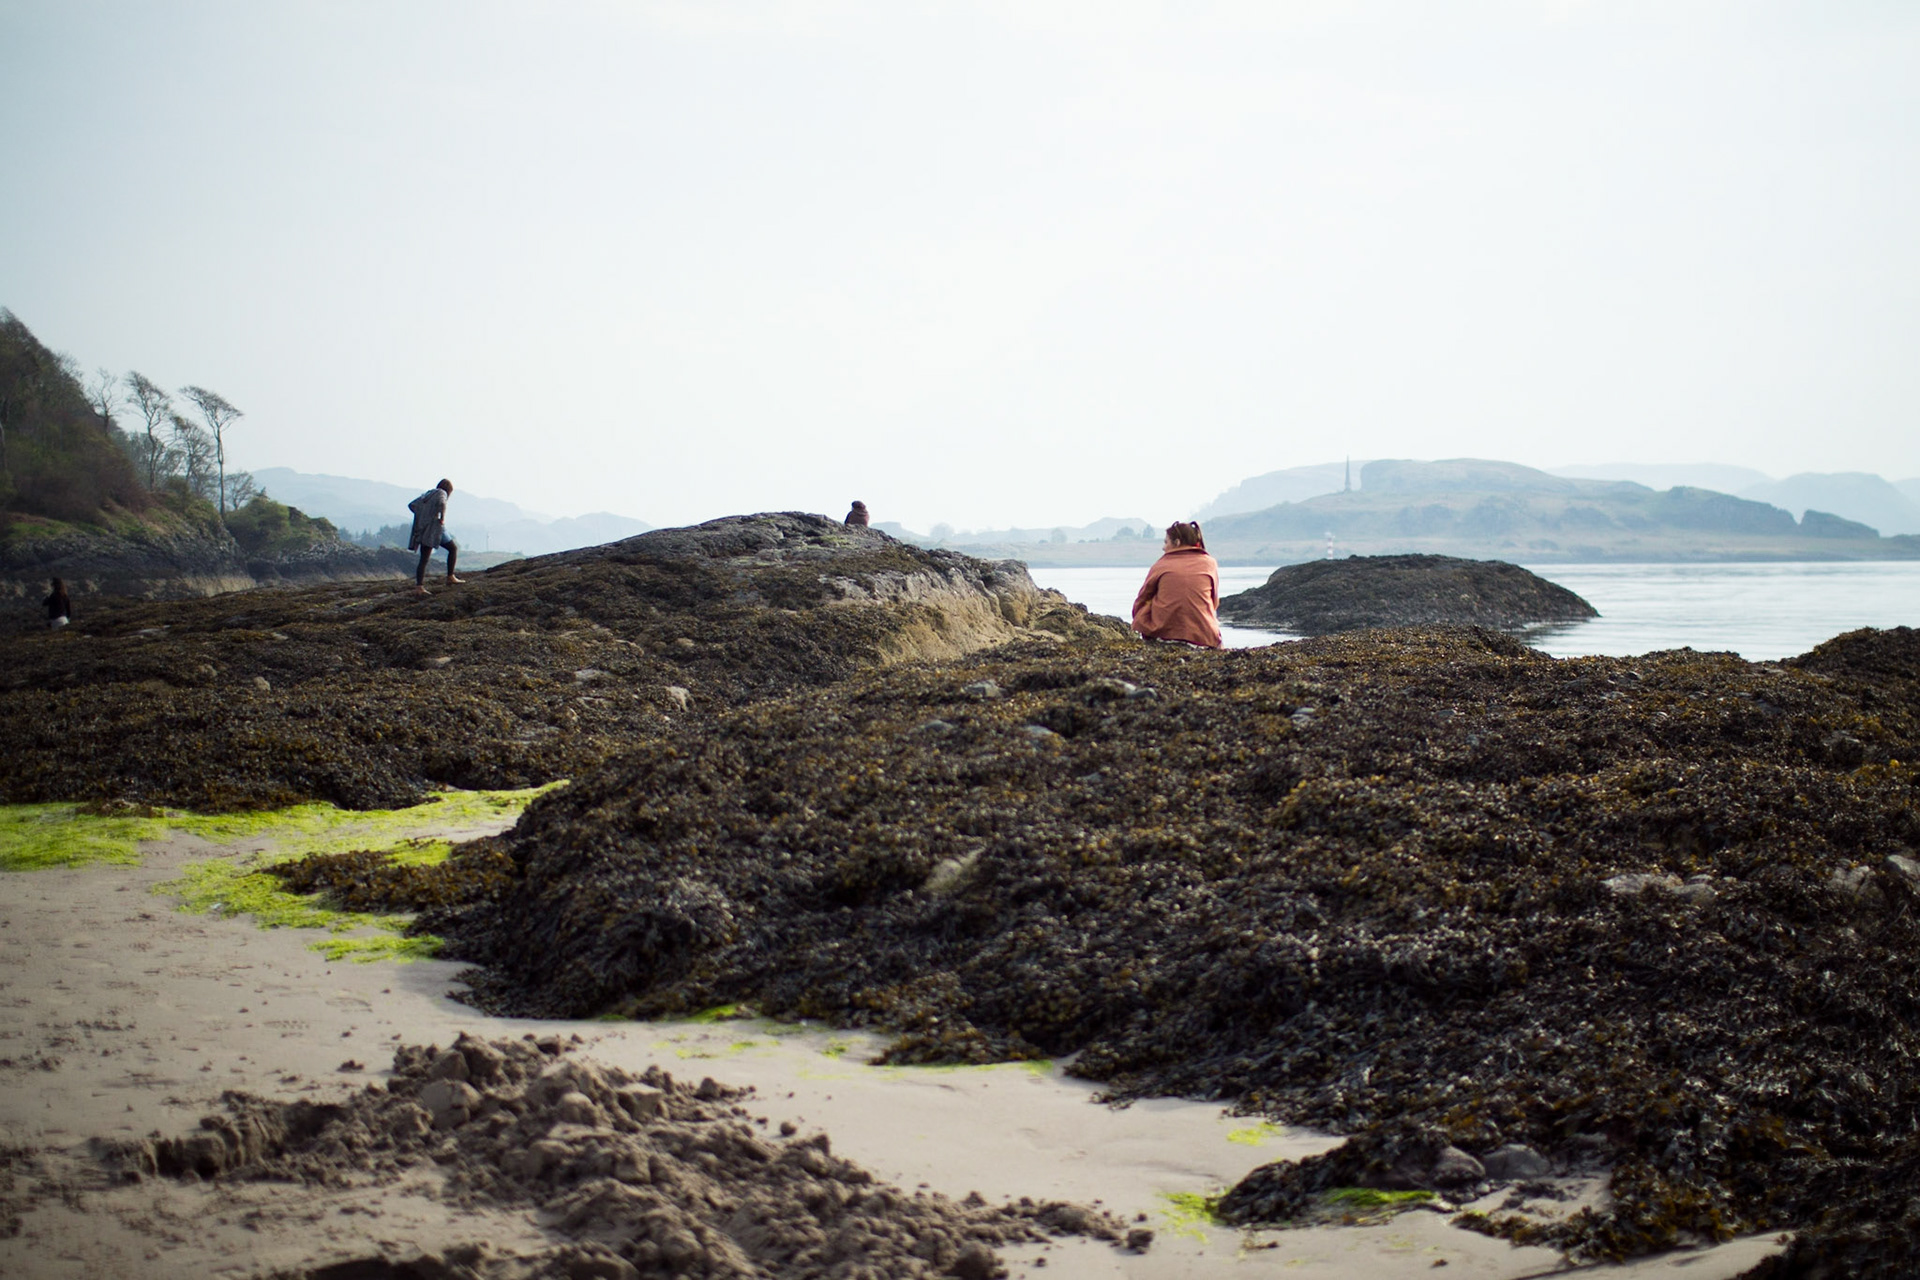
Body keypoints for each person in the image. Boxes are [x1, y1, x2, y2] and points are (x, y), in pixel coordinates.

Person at [1131, 521, 1222, 648]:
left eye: (1166, 542)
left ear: (1177, 542)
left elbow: (1142, 598)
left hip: (1163, 634)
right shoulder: (1209, 563)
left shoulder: (1161, 565)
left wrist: (1140, 620)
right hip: (1203, 637)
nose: (1163, 547)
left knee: (1149, 601)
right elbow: (1214, 601)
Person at [407, 479, 463, 595]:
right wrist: (441, 517)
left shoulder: (429, 493)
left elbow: (412, 505)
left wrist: (423, 515)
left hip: (424, 529)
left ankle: (419, 587)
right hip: (435, 529)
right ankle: (450, 577)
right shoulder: (442, 493)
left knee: (424, 558)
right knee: (453, 548)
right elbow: (442, 503)